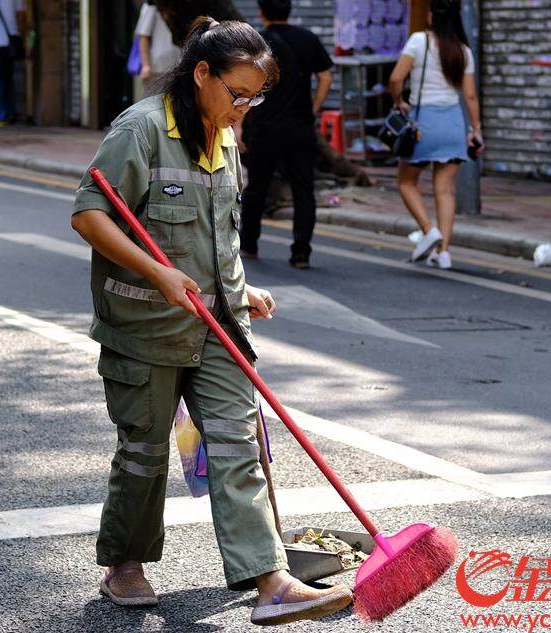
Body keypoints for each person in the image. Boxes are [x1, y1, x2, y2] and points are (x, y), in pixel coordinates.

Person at [70, 17, 353, 627]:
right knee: (143, 454)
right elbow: (90, 216)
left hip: (215, 324)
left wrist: (243, 291)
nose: (244, 109)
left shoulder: (225, 136)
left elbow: (216, 238)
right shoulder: (141, 130)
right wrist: (157, 272)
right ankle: (125, 563)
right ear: (201, 74)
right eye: (237, 93)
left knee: (235, 445)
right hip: (145, 330)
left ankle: (270, 579)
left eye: (256, 97)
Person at [237, 0, 333, 269]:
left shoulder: (258, 43)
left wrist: (240, 125)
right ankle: (301, 252)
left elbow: (244, 87)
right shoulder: (308, 38)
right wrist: (313, 107)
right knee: (304, 190)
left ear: (261, 12)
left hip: (264, 127)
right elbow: (326, 77)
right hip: (299, 127)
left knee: (257, 187)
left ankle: (249, 244)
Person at [388, 0, 482, 269]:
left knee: (406, 181)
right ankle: (444, 252)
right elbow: (471, 95)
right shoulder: (464, 51)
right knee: (445, 189)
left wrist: (399, 101)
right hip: (453, 123)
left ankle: (429, 230)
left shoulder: (419, 41)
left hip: (423, 122)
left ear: (431, 15)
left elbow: (396, 78)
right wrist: (476, 130)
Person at [135, 1, 180, 89]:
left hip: (177, 63)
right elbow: (143, 35)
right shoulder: (152, 5)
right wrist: (145, 65)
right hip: (158, 67)